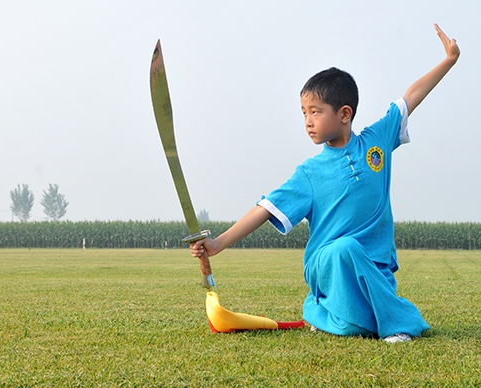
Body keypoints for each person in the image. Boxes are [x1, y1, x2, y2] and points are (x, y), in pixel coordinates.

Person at [191, 23, 460, 343]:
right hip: (326, 266)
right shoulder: (309, 173)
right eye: (303, 112)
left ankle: (337, 318)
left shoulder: (377, 140)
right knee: (344, 248)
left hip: (374, 270)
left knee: (355, 327)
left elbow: (410, 97)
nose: (307, 120)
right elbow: (264, 209)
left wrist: (449, 60)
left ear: (344, 114)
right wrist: (218, 243)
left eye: (315, 112)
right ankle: (394, 323)